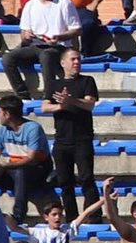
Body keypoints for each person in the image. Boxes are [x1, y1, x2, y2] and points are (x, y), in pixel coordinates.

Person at [42, 48, 99, 223]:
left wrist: (71, 101)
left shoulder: (87, 81)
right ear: (63, 63)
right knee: (65, 184)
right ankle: (72, 219)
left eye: (79, 60)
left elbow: (90, 104)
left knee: (87, 179)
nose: (76, 63)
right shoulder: (53, 84)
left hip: (82, 139)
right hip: (62, 140)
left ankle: (94, 217)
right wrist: (61, 107)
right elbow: (45, 107)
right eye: (73, 59)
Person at [0, 96, 52, 225]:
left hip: (37, 172)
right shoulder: (2, 130)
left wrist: (5, 167)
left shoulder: (33, 128)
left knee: (21, 172)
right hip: (15, 171)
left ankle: (18, 214)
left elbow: (32, 158)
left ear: (7, 114)